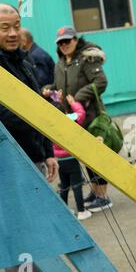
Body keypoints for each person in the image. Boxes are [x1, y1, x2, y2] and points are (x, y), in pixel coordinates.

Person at [0, 3, 59, 272]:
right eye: (5, 28)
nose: (13, 33)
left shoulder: (24, 61)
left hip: (33, 158)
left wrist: (47, 152)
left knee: (38, 225)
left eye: (16, 26)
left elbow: (39, 106)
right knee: (18, 231)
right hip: (6, 165)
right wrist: (38, 116)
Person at [43, 26, 111, 212]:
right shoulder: (61, 63)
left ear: (75, 40)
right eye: (61, 42)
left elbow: (101, 82)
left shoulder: (86, 59)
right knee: (86, 156)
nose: (64, 45)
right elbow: (58, 85)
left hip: (90, 116)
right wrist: (48, 89)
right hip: (74, 118)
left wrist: (79, 97)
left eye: (68, 41)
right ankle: (95, 192)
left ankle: (103, 196)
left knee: (95, 156)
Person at [52, 92, 93, 219]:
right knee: (76, 186)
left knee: (64, 186)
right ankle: (81, 211)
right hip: (71, 158)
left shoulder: (50, 123)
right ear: (64, 111)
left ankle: (65, 210)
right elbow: (81, 114)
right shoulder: (69, 119)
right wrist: (73, 103)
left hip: (59, 160)